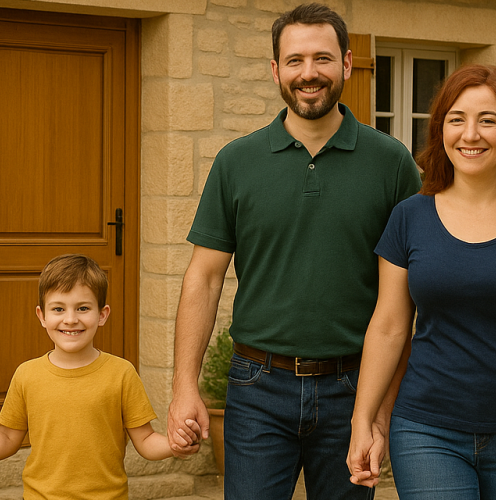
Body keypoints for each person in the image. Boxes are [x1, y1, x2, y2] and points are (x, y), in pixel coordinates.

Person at [165, 3, 423, 498]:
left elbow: (407, 300)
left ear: (347, 63)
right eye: (296, 61)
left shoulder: (392, 164)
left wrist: (382, 411)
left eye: (323, 59)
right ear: (275, 70)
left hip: (355, 388)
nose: (310, 74)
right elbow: (204, 278)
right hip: (257, 386)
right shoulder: (236, 162)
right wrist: (184, 387)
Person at [347, 64, 496, 500]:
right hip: (427, 430)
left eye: (488, 120)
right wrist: (362, 421)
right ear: (440, 129)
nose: (471, 134)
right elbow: (388, 326)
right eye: (456, 119)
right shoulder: (410, 217)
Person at [0, 254, 201, 499]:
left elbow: (144, 441)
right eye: (58, 309)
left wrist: (174, 444)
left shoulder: (122, 374)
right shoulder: (27, 375)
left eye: (83, 308)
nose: (70, 319)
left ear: (102, 315)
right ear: (42, 316)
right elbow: (6, 438)